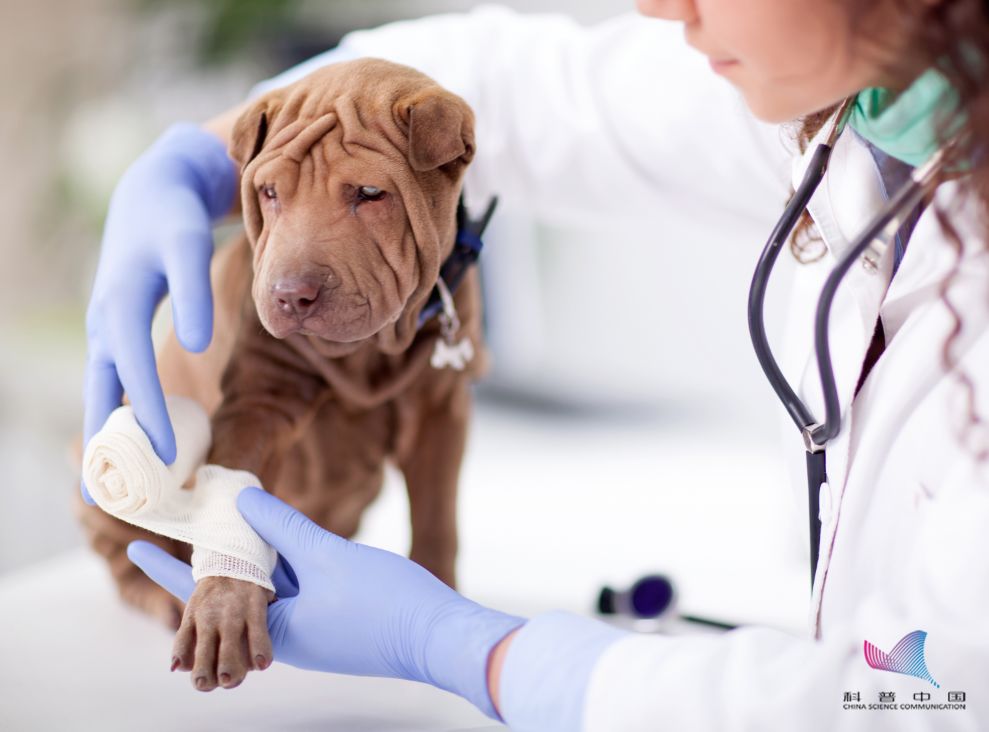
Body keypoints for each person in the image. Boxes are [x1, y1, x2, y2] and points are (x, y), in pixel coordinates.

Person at [86, 0, 989, 729]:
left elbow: (927, 699)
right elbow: (524, 90)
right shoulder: (868, 101)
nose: (660, 8)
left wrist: (473, 650)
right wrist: (205, 153)